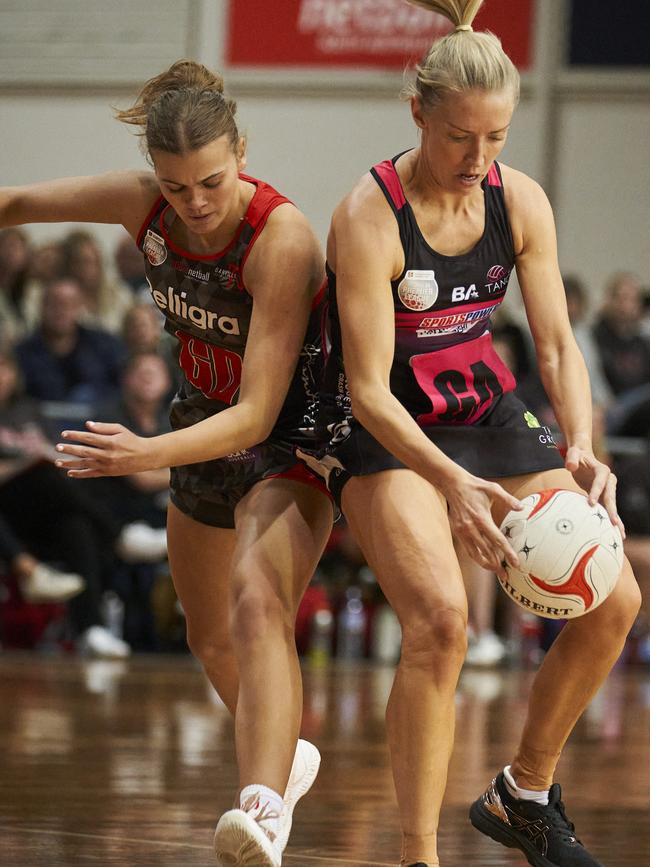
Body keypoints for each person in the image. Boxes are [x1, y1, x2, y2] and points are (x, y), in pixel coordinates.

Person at [306, 2, 642, 865]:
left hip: (482, 407)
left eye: (496, 137)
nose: (478, 158)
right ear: (417, 113)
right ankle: (419, 853)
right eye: (461, 137)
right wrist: (450, 483)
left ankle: (523, 792)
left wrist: (584, 444)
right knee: (442, 621)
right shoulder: (369, 216)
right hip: (385, 425)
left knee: (619, 600)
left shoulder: (517, 199)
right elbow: (371, 391)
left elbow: (561, 346)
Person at [0, 60, 333, 865]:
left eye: (212, 181)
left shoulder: (280, 239)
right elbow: (15, 204)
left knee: (259, 602)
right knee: (207, 630)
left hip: (287, 435)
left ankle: (260, 801)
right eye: (177, 186)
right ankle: (284, 757)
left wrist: (141, 452)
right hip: (198, 423)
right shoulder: (138, 204)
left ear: (241, 151)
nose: (196, 203)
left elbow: (257, 413)